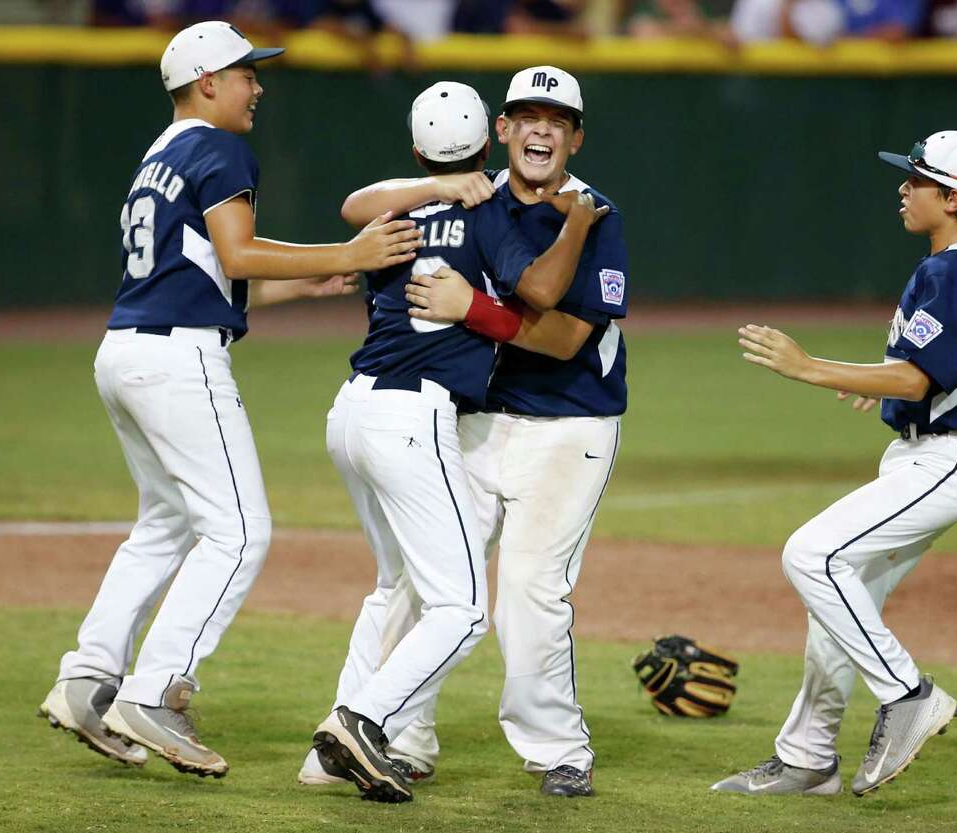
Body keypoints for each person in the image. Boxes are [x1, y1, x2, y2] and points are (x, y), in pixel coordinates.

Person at [37, 20, 423, 779]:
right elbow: (239, 252)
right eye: (247, 73)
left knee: (165, 523)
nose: (258, 85)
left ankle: (88, 677)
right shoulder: (219, 146)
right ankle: (150, 693)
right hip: (177, 361)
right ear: (207, 81)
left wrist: (302, 281)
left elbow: (208, 273)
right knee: (239, 532)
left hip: (126, 350)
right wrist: (347, 253)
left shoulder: (160, 153)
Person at [305, 65, 628, 798]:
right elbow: (359, 203)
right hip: (473, 420)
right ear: (501, 131)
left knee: (528, 588)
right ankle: (392, 730)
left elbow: (568, 338)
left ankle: (556, 751)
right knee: (426, 582)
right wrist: (440, 188)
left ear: (575, 138)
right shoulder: (470, 197)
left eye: (558, 119)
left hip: (569, 423)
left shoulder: (595, 213)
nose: (541, 128)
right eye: (527, 115)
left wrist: (470, 309)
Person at [711, 130, 957, 798]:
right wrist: (880, 377)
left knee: (811, 554)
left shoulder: (953, 268)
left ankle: (907, 693)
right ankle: (808, 757)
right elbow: (953, 367)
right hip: (931, 455)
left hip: (944, 459)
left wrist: (809, 367)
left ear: (952, 196)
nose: (903, 189)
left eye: (916, 180)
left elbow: (918, 380)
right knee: (841, 600)